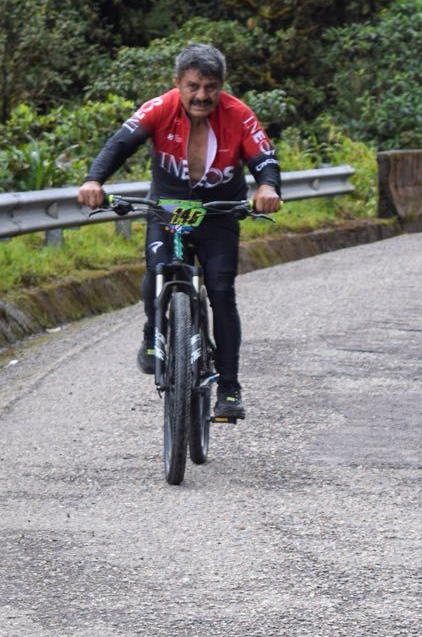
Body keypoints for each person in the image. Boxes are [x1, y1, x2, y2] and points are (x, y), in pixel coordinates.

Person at [77, 43, 282, 420]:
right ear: (178, 84)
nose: (201, 96)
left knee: (221, 291)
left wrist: (267, 188)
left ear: (221, 86)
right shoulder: (159, 108)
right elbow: (119, 144)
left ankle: (230, 388)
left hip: (219, 213)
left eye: (210, 87)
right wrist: (94, 180)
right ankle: (153, 335)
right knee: (157, 269)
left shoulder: (238, 114)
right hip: (168, 209)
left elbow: (264, 158)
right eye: (193, 86)